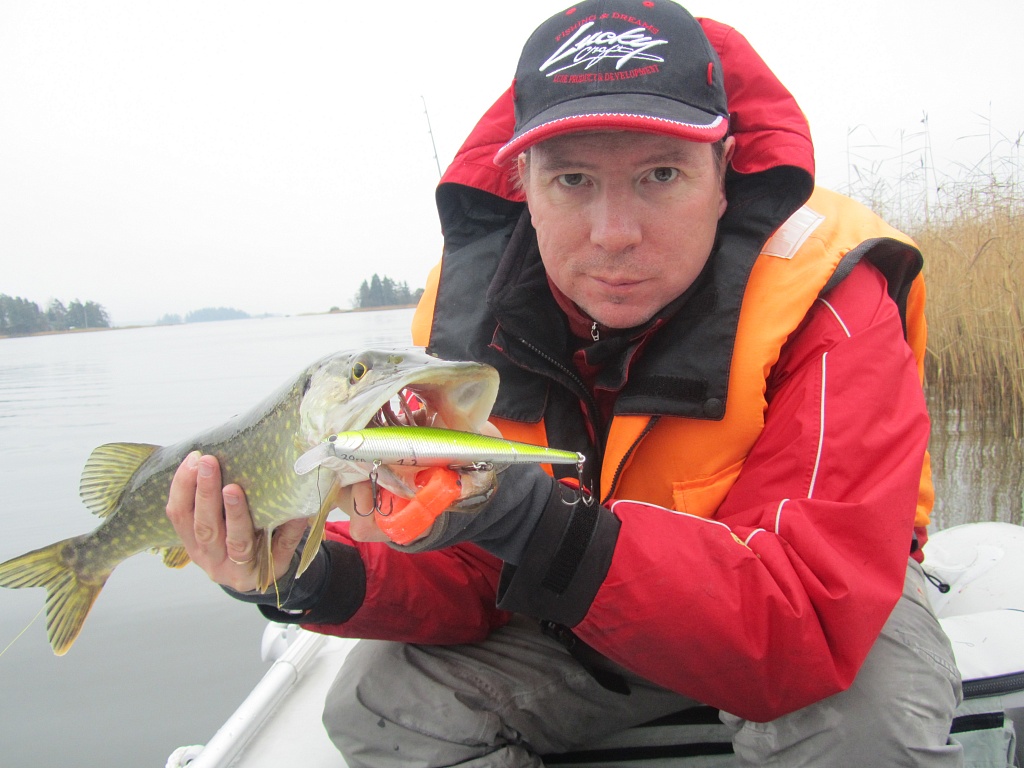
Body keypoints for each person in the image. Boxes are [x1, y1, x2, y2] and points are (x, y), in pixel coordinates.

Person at [166, 1, 964, 765]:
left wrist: (532, 520)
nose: (614, 235)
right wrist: (311, 571)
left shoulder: (834, 300)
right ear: (522, 181)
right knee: (379, 705)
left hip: (807, 617)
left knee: (867, 724)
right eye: (573, 181)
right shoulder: (469, 322)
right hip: (599, 601)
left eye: (660, 174)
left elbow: (808, 617)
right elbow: (474, 574)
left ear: (723, 171)